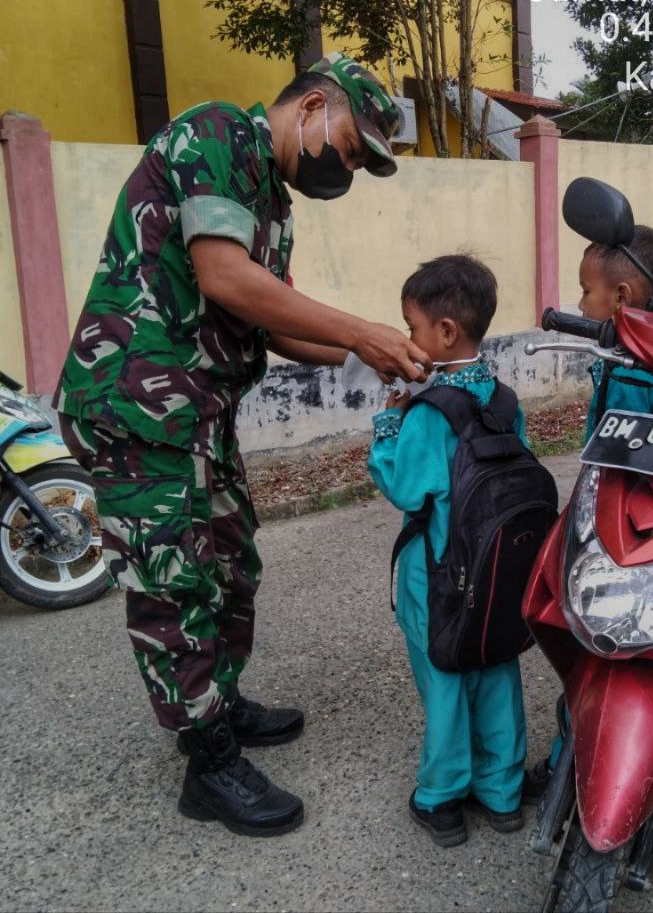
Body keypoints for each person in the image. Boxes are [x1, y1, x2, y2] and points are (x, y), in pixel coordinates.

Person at [55, 52, 431, 838]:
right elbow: (225, 278)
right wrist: (361, 331)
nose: (348, 169)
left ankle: (219, 703)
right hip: (136, 405)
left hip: (197, 413)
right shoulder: (219, 132)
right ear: (312, 108)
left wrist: (381, 353)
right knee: (175, 580)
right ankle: (207, 758)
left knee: (232, 562)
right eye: (352, 148)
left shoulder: (274, 205)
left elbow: (275, 321)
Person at [367, 255, 529, 848]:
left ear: (444, 333)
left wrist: (386, 426)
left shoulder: (428, 411)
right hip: (498, 573)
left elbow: (406, 489)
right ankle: (503, 792)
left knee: (444, 678)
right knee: (495, 669)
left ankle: (441, 799)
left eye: (411, 326)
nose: (407, 337)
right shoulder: (505, 400)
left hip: (436, 575)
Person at [577, 225, 653, 440]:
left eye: (586, 291)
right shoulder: (651, 358)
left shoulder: (627, 378)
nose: (581, 305)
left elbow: (616, 461)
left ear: (621, 297)